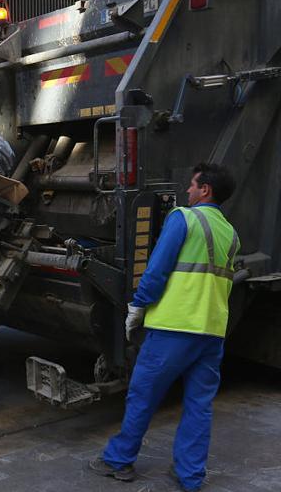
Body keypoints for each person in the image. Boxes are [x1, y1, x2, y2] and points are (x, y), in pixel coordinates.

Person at [89, 163, 240, 491]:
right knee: (199, 406)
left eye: (192, 185)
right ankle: (190, 476)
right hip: (212, 332)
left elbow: (156, 269)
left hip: (173, 327)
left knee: (143, 395)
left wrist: (138, 305)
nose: (187, 190)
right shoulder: (231, 233)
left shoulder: (183, 219)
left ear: (205, 191)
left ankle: (119, 461)